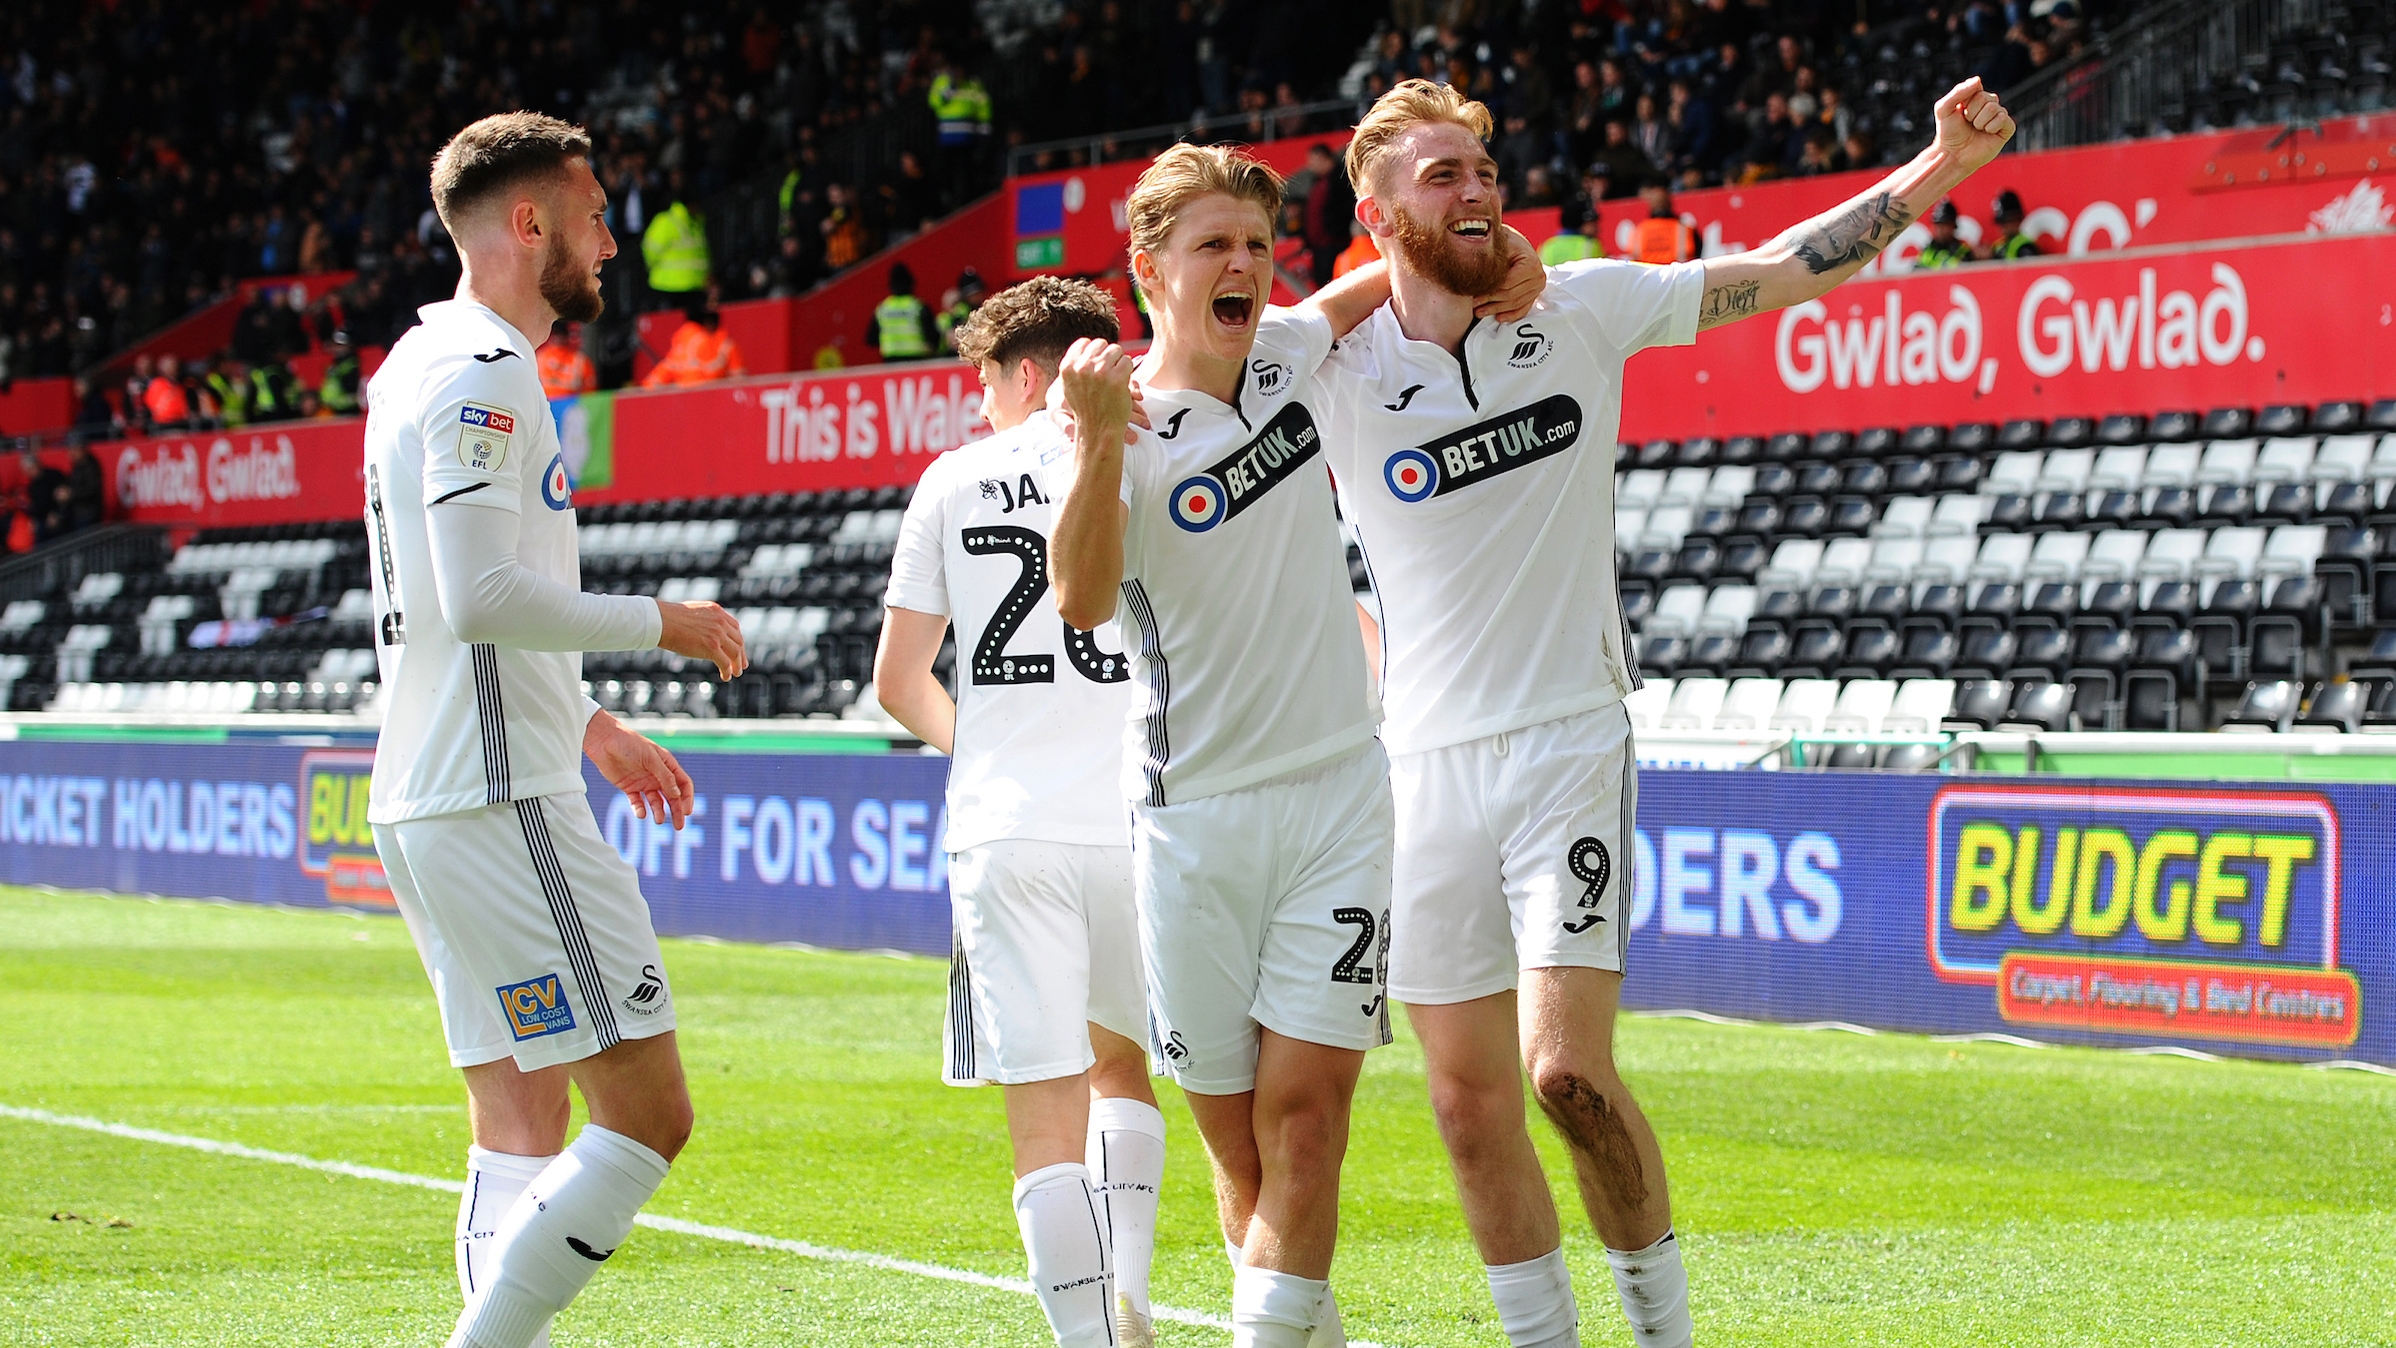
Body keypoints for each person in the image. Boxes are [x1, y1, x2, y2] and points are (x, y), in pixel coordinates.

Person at [1309, 75, 2013, 1348]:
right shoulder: (1337, 366)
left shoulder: (1582, 303)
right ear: (1374, 211)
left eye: (1482, 172)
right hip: (1417, 766)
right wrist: (1392, 278)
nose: (1475, 192)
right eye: (1440, 179)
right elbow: (1223, 346)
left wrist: (1935, 171)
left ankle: (1663, 1335)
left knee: (1562, 1075)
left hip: (1569, 736)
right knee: (1467, 1109)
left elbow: (1787, 270)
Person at [1046, 142, 1540, 1348]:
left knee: (1308, 1122)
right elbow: (1079, 599)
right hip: (1193, 826)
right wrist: (1100, 439)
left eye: (1257, 245)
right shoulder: (1112, 427)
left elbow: (1380, 278)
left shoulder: (1286, 352)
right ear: (1148, 268)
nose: (1244, 265)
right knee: (1243, 1152)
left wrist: (1503, 257)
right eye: (1213, 244)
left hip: (1335, 802)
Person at [362, 110, 747, 1348]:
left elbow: (446, 599)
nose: (612, 243)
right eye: (592, 217)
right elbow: (475, 596)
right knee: (646, 1113)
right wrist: (663, 621)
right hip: (496, 797)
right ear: (529, 224)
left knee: (516, 1122)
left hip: (435, 792)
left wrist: (590, 722)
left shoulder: (416, 362)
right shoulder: (485, 372)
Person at [874, 275, 1166, 1348]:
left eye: (984, 378)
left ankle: (1091, 1339)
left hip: (1004, 828)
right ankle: (1130, 1296)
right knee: (1123, 1067)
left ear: (1029, 372)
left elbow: (899, 680)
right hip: (1140, 814)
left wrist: (986, 742)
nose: (978, 400)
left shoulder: (952, 478)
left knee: (1042, 1112)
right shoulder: (1151, 449)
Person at [640, 177, 710, 309]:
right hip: (668, 287)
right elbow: (650, 250)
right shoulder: (666, 222)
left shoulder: (697, 223)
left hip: (695, 288)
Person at [639, 307, 747, 387]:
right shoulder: (723, 343)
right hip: (712, 399)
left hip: (683, 400)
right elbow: (739, 380)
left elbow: (653, 382)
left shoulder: (680, 345)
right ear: (709, 323)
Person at [1301, 143, 1358, 291]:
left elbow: (1347, 207)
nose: (1310, 165)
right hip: (1320, 247)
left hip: (1336, 243)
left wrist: (1336, 228)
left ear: (1322, 157)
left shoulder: (1340, 179)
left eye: (1312, 160)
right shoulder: (1318, 182)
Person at [868, 263, 940, 363]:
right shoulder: (918, 306)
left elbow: (871, 339)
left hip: (890, 361)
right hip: (916, 360)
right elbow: (934, 337)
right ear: (911, 282)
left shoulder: (883, 308)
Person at [1634, 180, 1698, 264]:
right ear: (1670, 203)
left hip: (1649, 276)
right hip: (1678, 275)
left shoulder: (1639, 230)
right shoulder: (1684, 229)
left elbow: (1634, 257)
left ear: (1651, 206)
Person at [936, 268, 989, 357]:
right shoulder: (961, 311)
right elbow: (954, 338)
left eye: (979, 292)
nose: (978, 297)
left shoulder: (985, 309)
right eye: (974, 294)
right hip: (960, 357)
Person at [1539, 195, 1605, 265]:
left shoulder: (1547, 247)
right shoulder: (1591, 246)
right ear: (1580, 223)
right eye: (1593, 222)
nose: (1597, 227)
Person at [539, 322, 599, 399]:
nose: (558, 338)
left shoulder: (580, 360)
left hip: (570, 407)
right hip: (547, 405)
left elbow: (590, 392)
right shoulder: (540, 357)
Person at [1979, 188, 2040, 260]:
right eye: (2000, 222)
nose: (2002, 227)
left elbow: (2028, 268)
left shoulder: (2024, 246)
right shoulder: (1998, 245)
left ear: (2017, 219)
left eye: (2005, 222)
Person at [1916, 199, 1969, 268]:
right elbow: (1917, 273)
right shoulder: (1927, 251)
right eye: (1938, 225)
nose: (1940, 230)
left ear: (1953, 226)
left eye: (1944, 225)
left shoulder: (1963, 251)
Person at [321, 332, 366, 415]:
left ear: (349, 347)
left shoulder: (352, 365)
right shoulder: (335, 364)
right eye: (335, 345)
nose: (336, 349)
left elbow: (351, 387)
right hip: (332, 409)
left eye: (340, 346)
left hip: (348, 410)